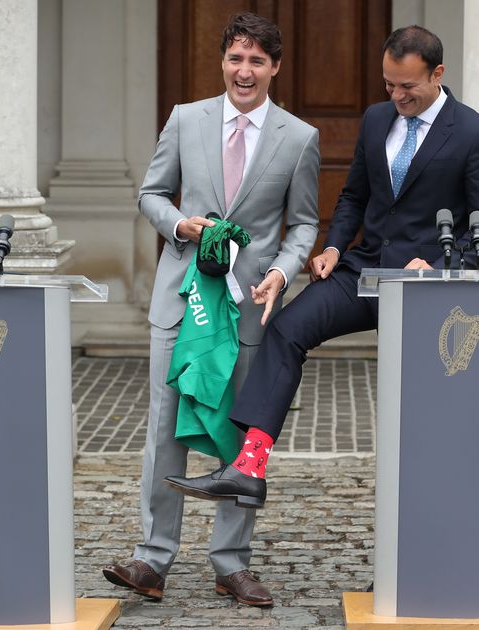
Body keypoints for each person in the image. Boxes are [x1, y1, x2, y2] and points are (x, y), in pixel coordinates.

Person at [165, 25, 479, 508]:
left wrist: (438, 265)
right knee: (286, 329)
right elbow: (353, 196)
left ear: (438, 74)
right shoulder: (374, 119)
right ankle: (249, 467)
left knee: (424, 397)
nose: (397, 96)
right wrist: (333, 247)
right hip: (361, 273)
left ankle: (443, 500)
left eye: (407, 86)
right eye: (389, 84)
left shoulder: (474, 133)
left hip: (427, 288)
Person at [102, 12, 320, 608]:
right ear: (222, 61)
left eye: (256, 61)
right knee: (165, 428)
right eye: (234, 58)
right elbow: (150, 193)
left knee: (238, 435)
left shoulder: (299, 138)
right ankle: (152, 559)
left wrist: (281, 270)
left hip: (250, 306)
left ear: (274, 67)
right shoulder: (184, 119)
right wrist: (180, 224)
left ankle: (231, 563)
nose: (243, 71)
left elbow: (303, 223)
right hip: (183, 303)